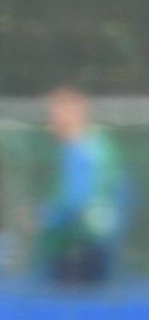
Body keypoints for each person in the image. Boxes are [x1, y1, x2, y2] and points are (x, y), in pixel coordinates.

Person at [39, 86, 131, 286]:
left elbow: (76, 201)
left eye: (55, 114)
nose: (51, 122)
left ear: (75, 113)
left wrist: (44, 216)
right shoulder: (84, 147)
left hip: (83, 246)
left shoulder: (87, 150)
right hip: (85, 244)